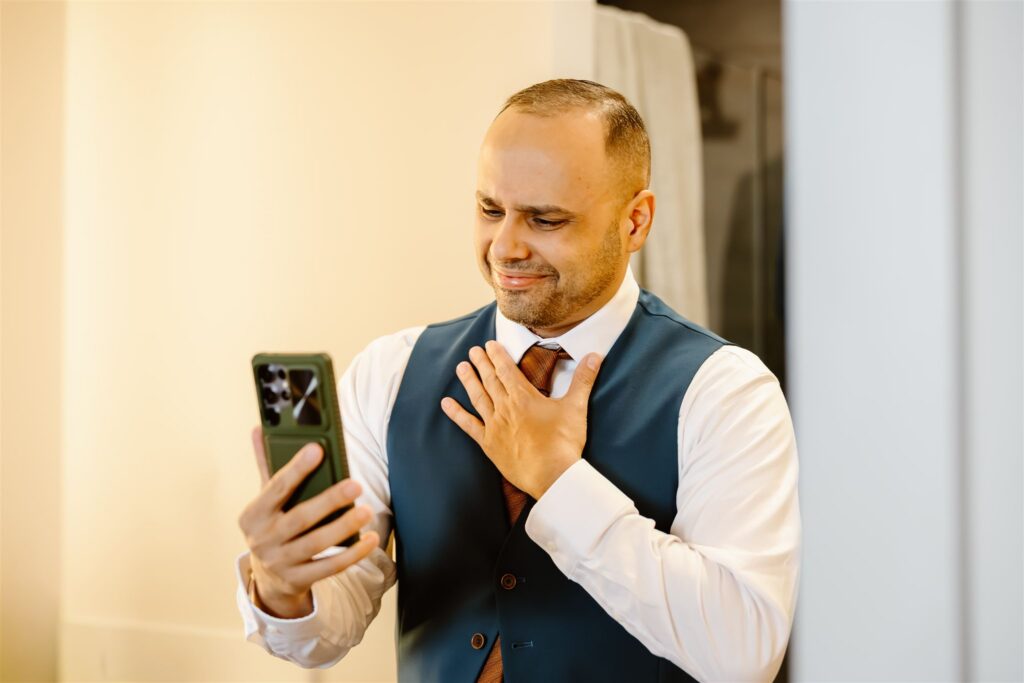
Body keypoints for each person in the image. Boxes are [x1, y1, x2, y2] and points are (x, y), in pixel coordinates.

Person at [235, 79, 801, 683]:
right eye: (489, 210)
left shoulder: (726, 392)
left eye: (546, 219)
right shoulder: (390, 373)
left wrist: (560, 483)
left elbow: (745, 653)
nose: (504, 247)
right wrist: (280, 586)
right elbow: (329, 628)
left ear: (635, 221)